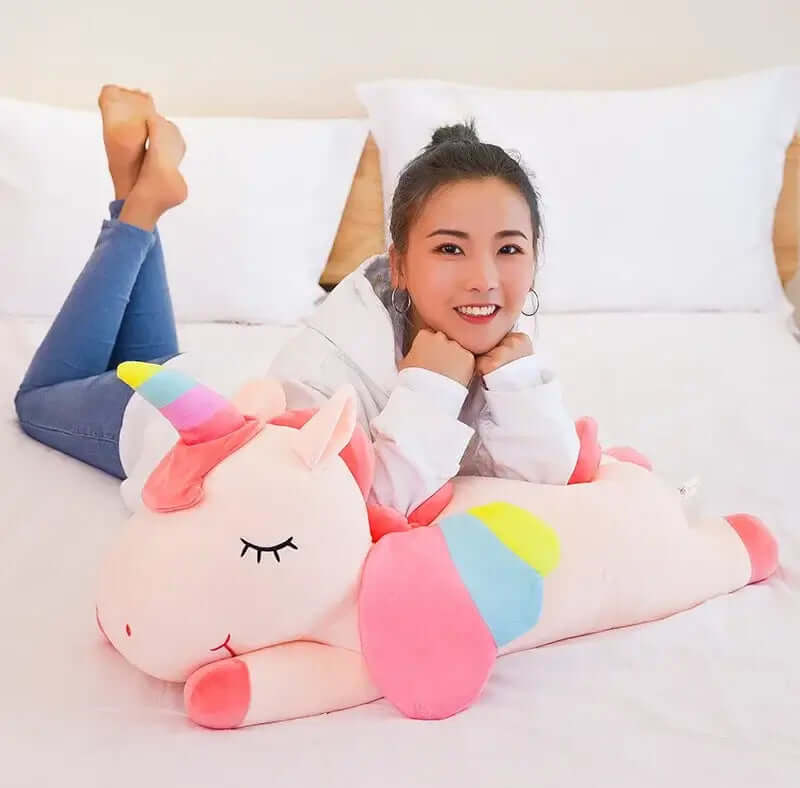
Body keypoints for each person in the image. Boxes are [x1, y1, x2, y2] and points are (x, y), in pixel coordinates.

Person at [15, 85, 585, 517]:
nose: (486, 279)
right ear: (401, 264)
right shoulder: (324, 365)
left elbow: (547, 479)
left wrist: (519, 386)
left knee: (155, 358)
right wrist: (431, 389)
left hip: (190, 376)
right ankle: (137, 205)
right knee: (37, 400)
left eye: (509, 248)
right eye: (450, 249)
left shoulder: (498, 341)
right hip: (159, 420)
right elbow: (336, 512)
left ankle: (137, 186)